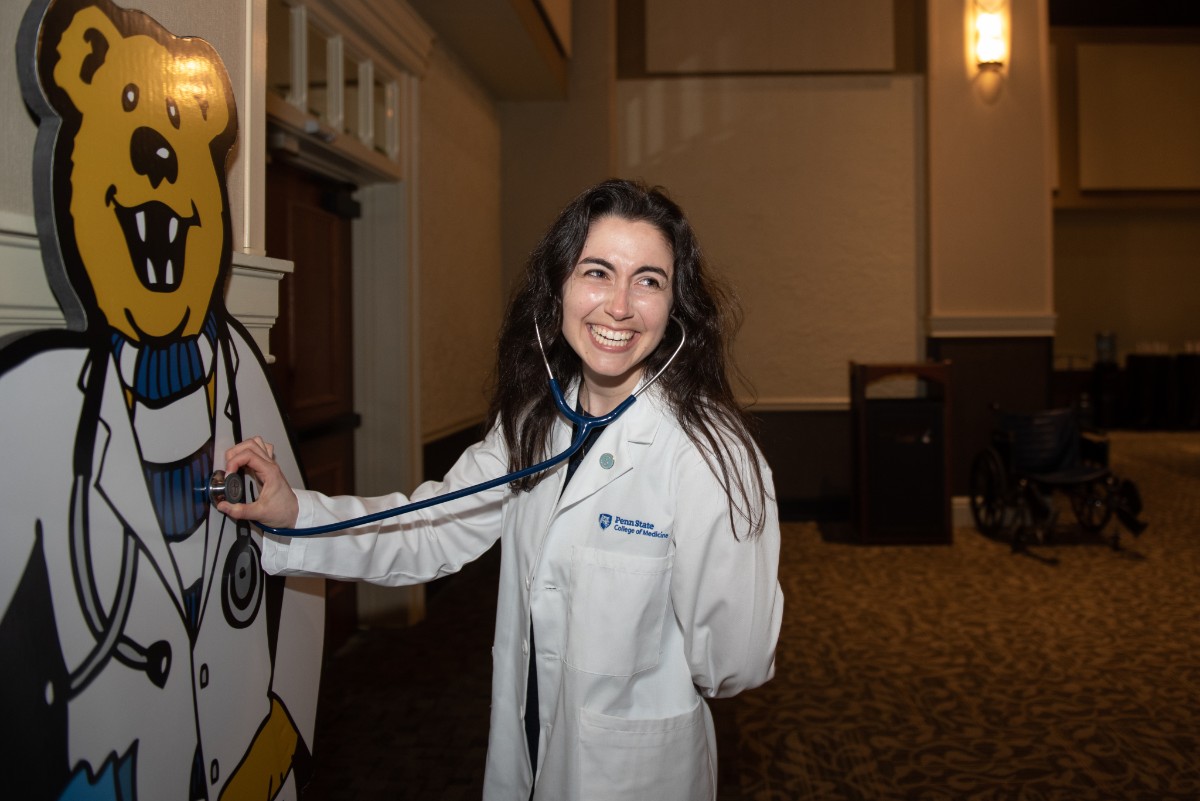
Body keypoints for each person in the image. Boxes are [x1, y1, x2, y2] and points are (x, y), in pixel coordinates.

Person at [220, 178, 784, 801]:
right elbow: (431, 527)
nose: (619, 305)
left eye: (648, 280)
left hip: (637, 774)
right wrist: (297, 514)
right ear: (559, 289)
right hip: (528, 744)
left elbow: (735, 660)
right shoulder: (531, 423)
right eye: (597, 271)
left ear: (674, 306)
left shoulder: (708, 453)